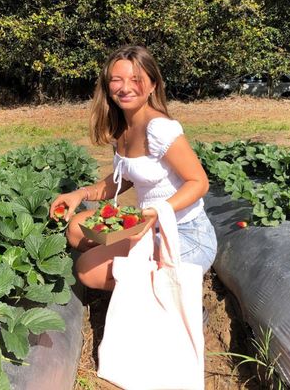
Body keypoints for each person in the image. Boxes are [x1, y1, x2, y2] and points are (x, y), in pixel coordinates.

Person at [49, 45, 217, 291]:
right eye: (117, 80)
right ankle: (137, 279)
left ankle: (174, 297)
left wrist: (158, 210)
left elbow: (199, 183)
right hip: (147, 225)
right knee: (76, 229)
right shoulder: (122, 128)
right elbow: (123, 179)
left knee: (88, 271)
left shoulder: (159, 129)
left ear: (152, 85)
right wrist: (80, 194)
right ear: (107, 86)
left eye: (136, 79)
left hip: (184, 234)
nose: (125, 88)